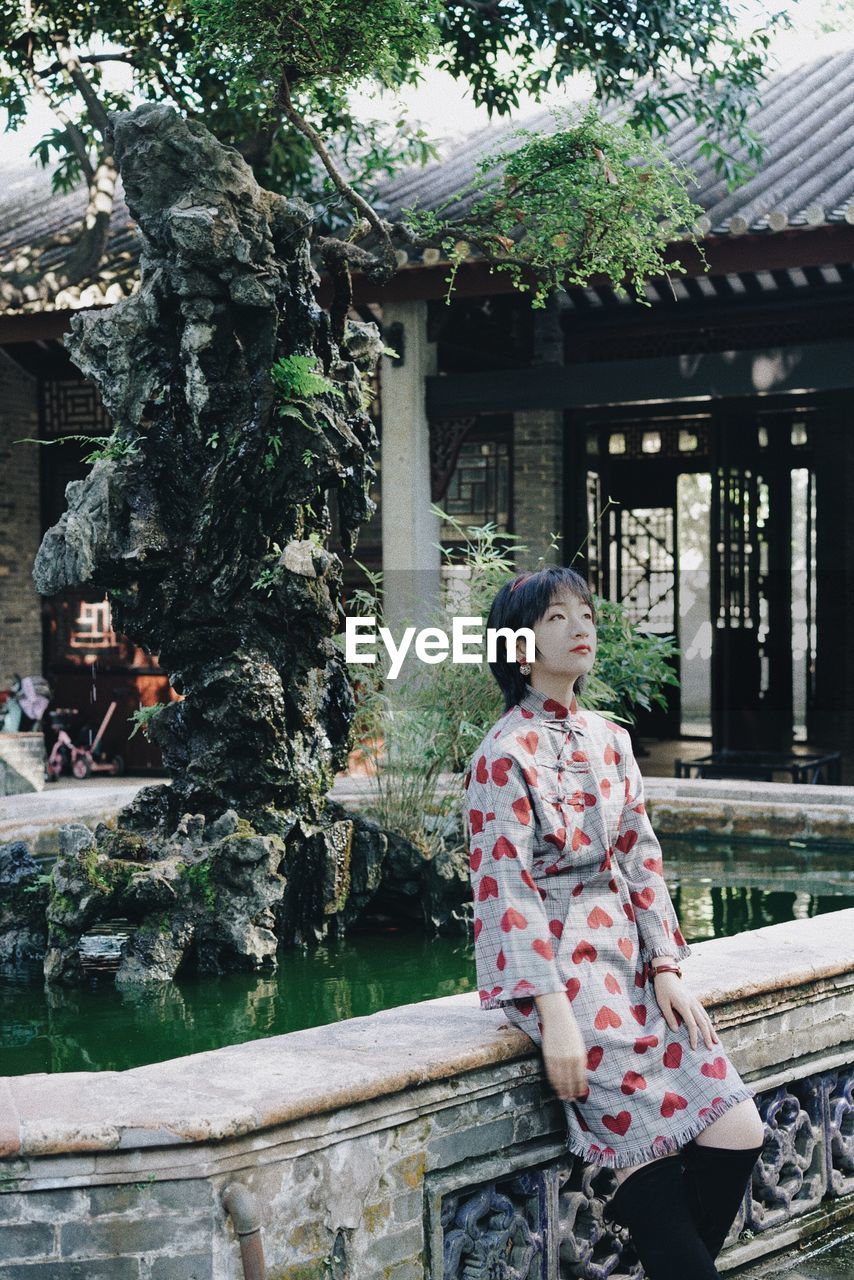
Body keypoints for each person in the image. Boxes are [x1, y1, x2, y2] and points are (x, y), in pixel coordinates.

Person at [462, 566, 765, 1280]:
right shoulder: (500, 757)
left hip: (628, 962)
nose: (581, 626)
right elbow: (506, 891)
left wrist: (665, 967)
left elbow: (640, 858)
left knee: (738, 1129)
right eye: (557, 617)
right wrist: (554, 1013)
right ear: (518, 645)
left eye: (586, 613)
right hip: (562, 972)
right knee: (650, 1179)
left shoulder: (612, 740)